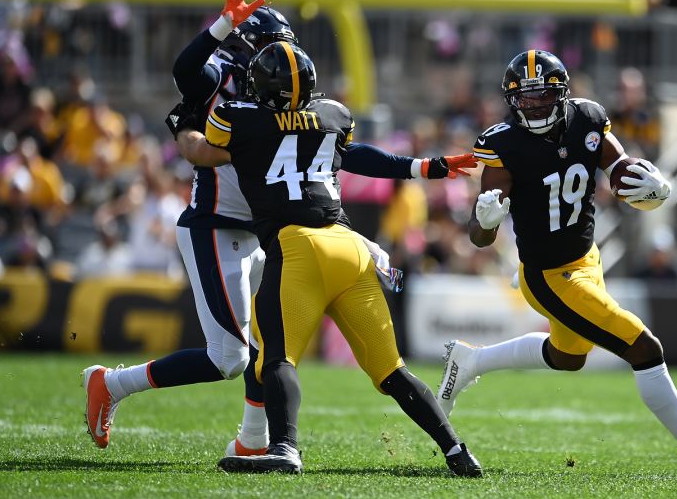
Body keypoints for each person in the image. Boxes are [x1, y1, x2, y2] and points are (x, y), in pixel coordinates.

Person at [82, 0, 476, 457]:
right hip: (218, 219)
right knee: (229, 356)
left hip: (274, 228)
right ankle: (113, 383)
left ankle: (254, 439)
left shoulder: (283, 86)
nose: (277, 58)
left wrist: (422, 167)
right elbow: (188, 87)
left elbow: (332, 151)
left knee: (271, 338)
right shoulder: (222, 82)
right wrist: (222, 27)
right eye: (267, 47)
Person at [437, 50, 677, 476]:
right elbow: (481, 238)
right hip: (548, 277)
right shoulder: (502, 143)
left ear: (563, 94)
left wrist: (651, 183)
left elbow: (618, 167)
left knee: (569, 356)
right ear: (512, 100)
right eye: (525, 97)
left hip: (587, 259)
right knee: (643, 346)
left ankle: (472, 361)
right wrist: (484, 223)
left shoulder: (588, 117)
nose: (533, 104)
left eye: (542, 95)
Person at [170, 41, 482, 477]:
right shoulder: (333, 115)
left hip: (297, 248)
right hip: (349, 246)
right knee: (392, 370)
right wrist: (427, 166)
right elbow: (351, 156)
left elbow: (202, 152)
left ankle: (283, 449)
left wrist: (183, 125)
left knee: (277, 359)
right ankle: (456, 451)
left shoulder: (236, 117)